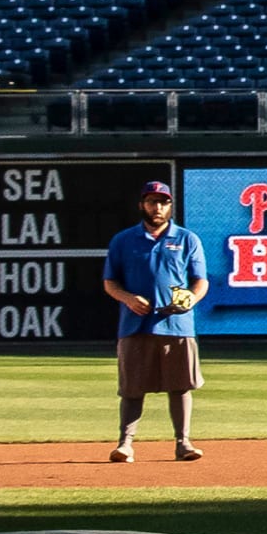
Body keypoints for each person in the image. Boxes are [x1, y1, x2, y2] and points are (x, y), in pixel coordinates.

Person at [101, 181, 209, 462]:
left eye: (163, 202)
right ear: (142, 205)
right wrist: (127, 298)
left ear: (170, 206)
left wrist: (191, 299)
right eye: (151, 201)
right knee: (132, 388)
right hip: (135, 324)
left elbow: (201, 281)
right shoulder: (123, 240)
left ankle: (183, 443)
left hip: (177, 324)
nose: (157, 207)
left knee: (180, 385)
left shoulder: (187, 239)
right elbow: (110, 282)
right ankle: (125, 445)